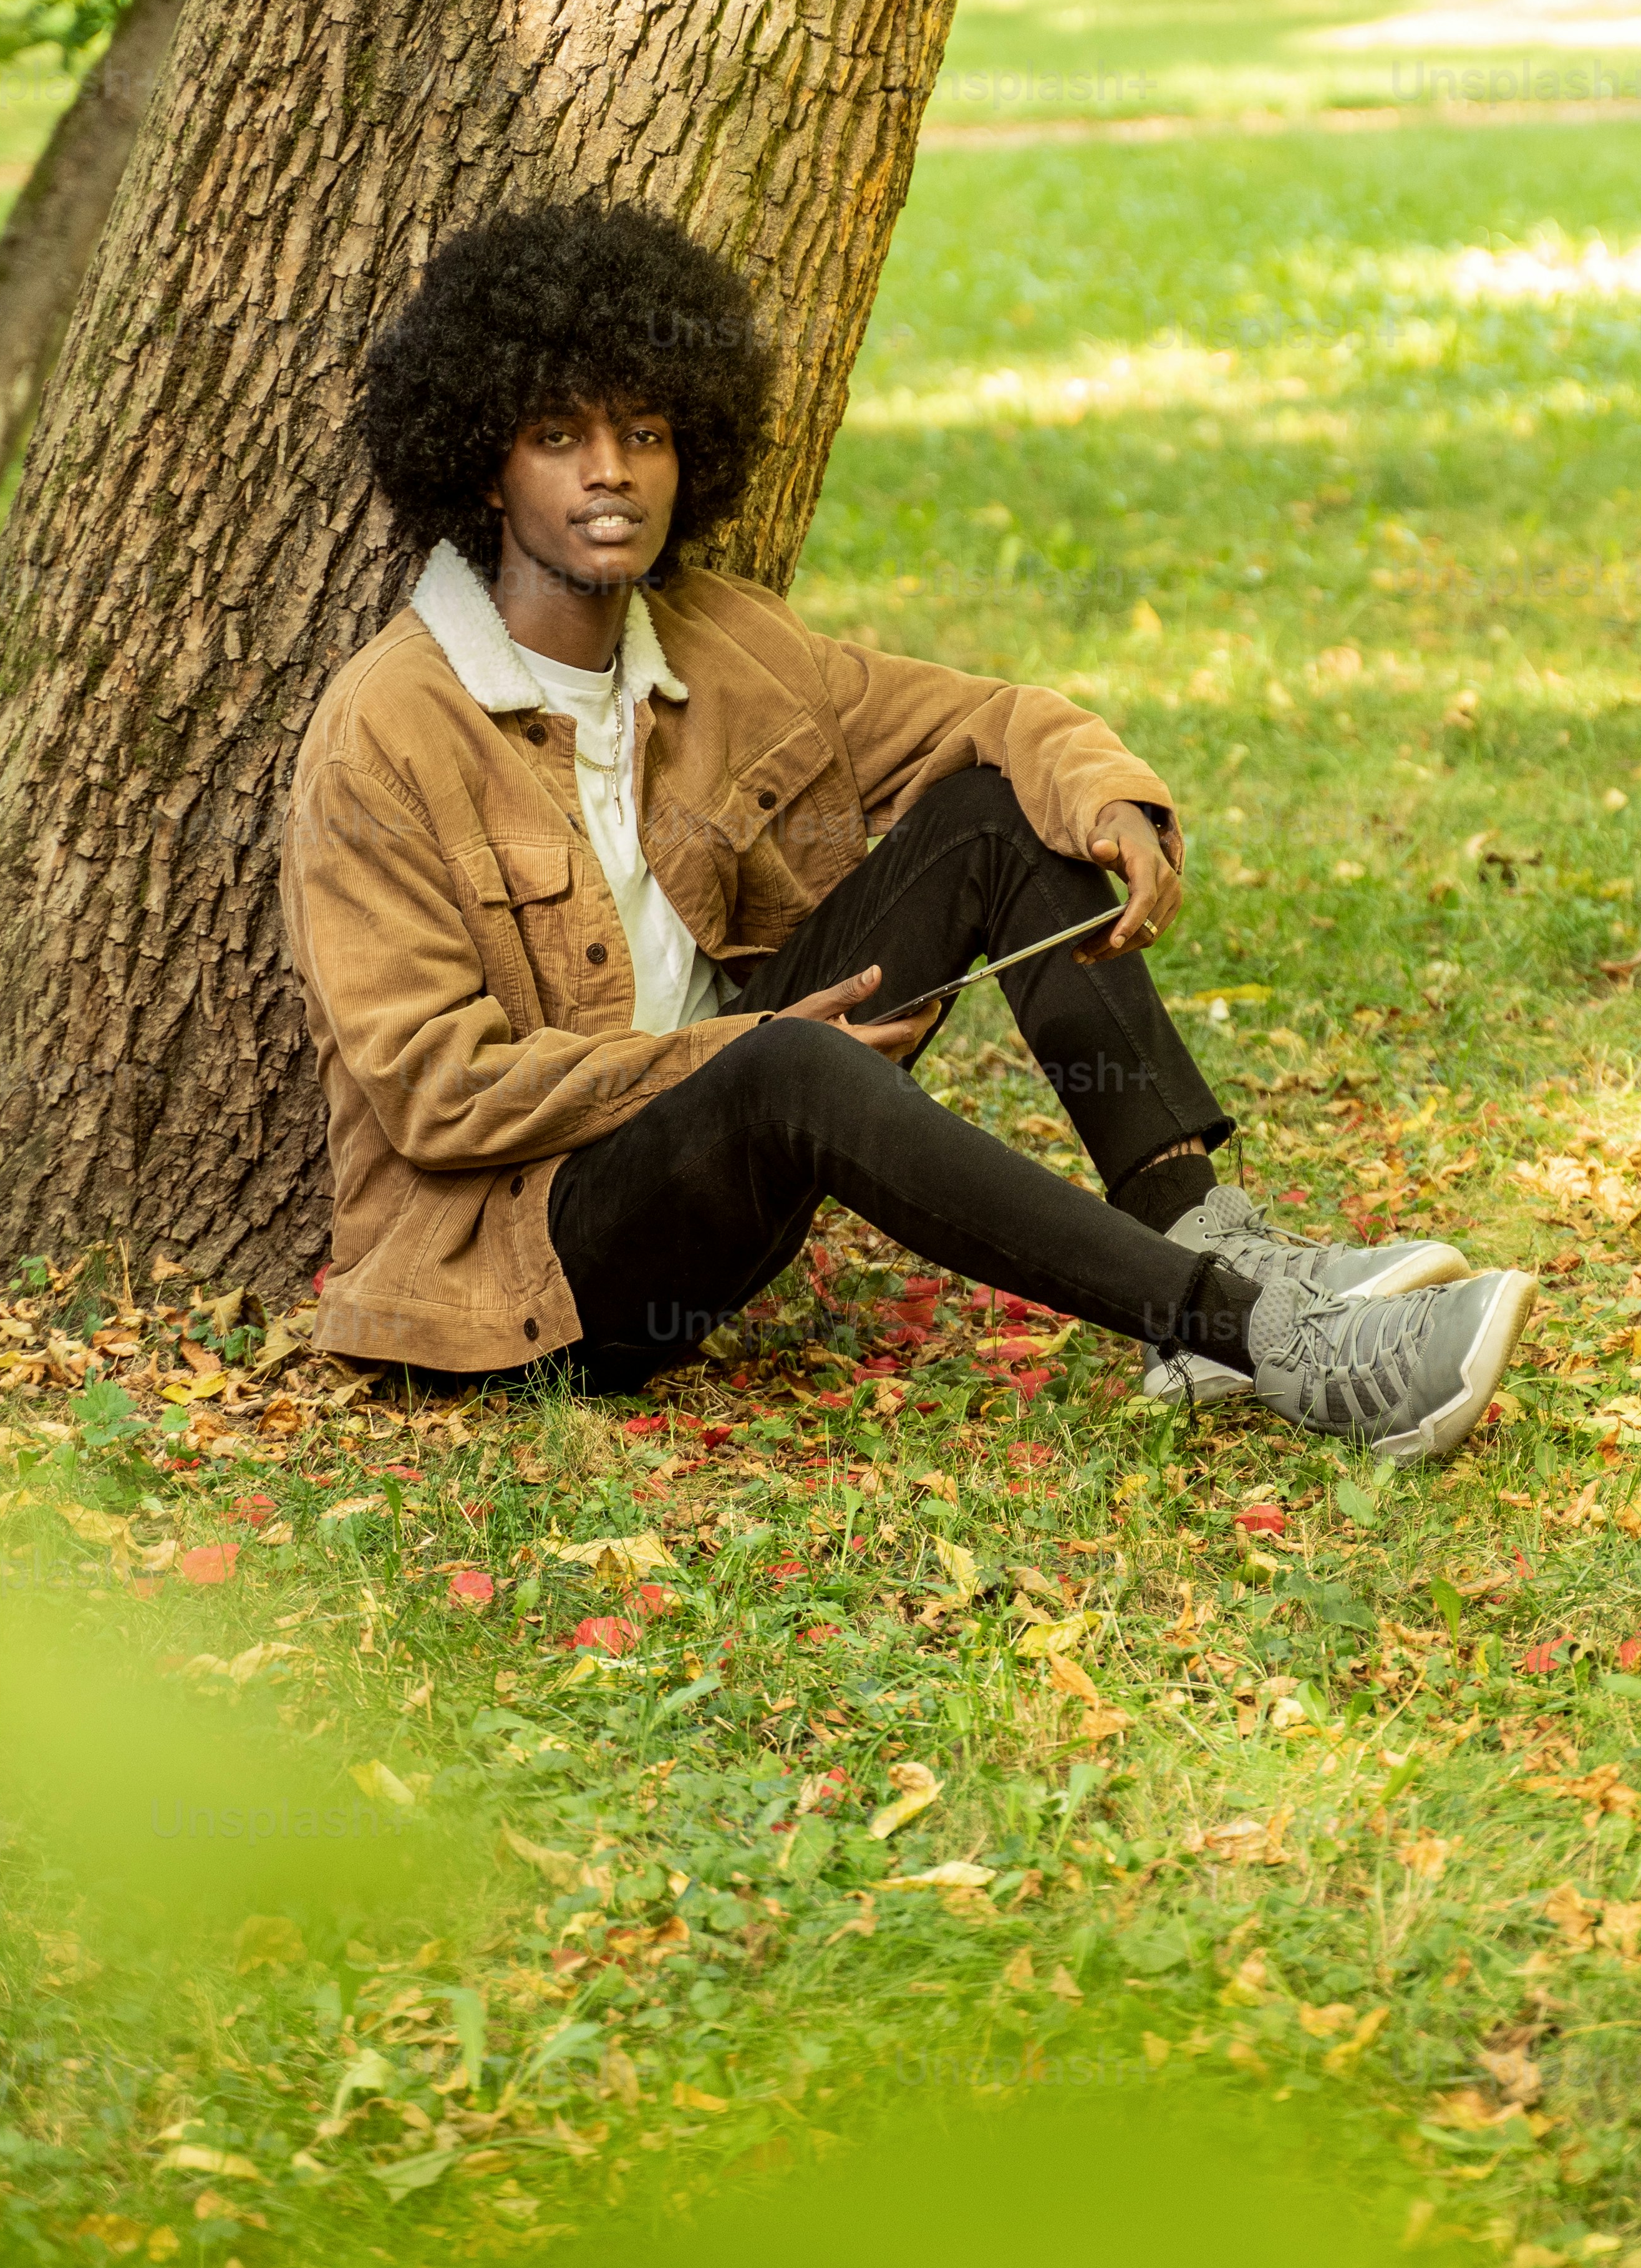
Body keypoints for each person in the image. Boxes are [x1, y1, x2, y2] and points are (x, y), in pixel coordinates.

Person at [279, 202, 1534, 1460]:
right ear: (486, 469)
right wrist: (733, 1051)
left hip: (733, 1145)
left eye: (645, 434)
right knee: (784, 1063)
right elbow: (437, 1096)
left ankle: (1193, 1225)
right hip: (531, 1271)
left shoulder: (726, 642)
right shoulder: (388, 731)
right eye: (559, 438)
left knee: (1000, 805)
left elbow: (988, 719)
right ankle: (1274, 1343)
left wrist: (1109, 798)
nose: (610, 469)